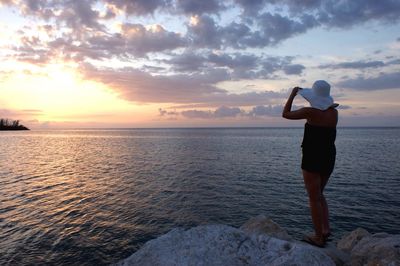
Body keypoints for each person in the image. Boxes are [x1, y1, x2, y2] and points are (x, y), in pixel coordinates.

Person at [282, 80, 338, 248]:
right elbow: (320, 107)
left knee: (313, 198)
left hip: (313, 157)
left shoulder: (309, 112)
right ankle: (326, 230)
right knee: (320, 194)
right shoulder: (333, 113)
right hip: (329, 156)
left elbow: (285, 114)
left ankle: (318, 237)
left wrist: (293, 94)